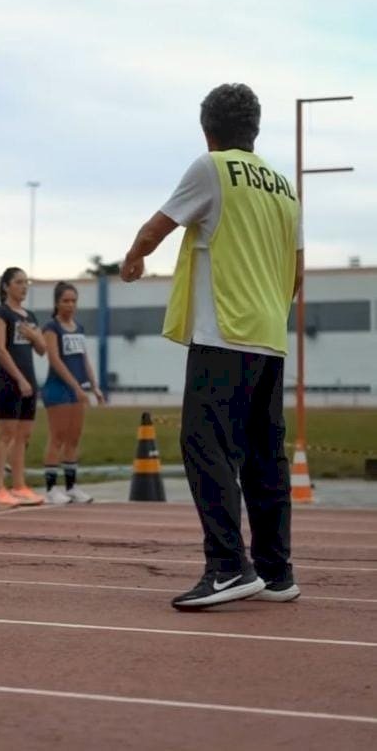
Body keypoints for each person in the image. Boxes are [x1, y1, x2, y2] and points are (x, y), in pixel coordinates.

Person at [121, 82, 303, 610]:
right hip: (270, 338)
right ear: (256, 130)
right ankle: (275, 571)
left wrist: (132, 260)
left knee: (207, 447)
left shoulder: (212, 169)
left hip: (224, 332)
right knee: (265, 457)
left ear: (208, 132)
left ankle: (227, 566)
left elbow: (156, 228)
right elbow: (296, 274)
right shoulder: (285, 187)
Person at [41, 282, 104, 505]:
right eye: (65, 300)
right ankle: (50, 488)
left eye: (73, 300)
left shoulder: (78, 327)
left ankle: (71, 486)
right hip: (58, 389)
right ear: (57, 303)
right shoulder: (51, 327)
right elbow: (55, 359)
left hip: (78, 390)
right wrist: (76, 387)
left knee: (74, 437)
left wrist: (94, 386)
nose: (70, 305)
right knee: (57, 436)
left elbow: (84, 358)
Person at [0, 267, 46, 507]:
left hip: (29, 381)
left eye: (26, 283)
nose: (24, 287)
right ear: (6, 286)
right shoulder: (1, 314)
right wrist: (19, 379)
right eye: (19, 282)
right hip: (8, 381)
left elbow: (43, 349)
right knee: (6, 434)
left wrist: (33, 337)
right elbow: (0, 349)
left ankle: (19, 484)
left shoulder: (30, 316)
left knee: (24, 435)